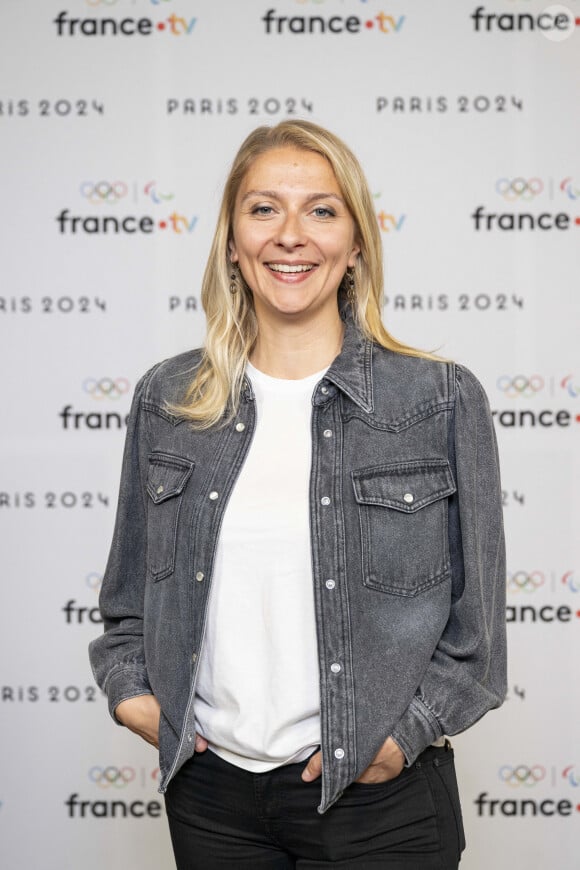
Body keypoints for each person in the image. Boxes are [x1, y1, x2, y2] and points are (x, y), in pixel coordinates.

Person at [89, 120, 506, 869]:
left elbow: (477, 636)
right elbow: (126, 601)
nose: (290, 235)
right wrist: (133, 695)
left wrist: (400, 738)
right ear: (230, 242)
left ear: (354, 245)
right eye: (263, 209)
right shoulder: (170, 399)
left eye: (321, 210)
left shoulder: (439, 400)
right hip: (212, 800)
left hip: (380, 803)